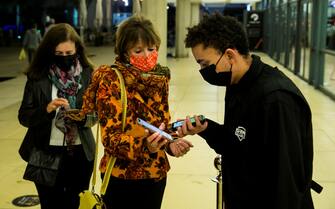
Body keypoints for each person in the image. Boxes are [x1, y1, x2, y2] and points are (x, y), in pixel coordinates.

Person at [179, 13, 316, 209]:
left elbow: (286, 184)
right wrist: (205, 128)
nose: (203, 71)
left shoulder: (276, 100)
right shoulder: (237, 83)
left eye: (205, 64)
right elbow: (237, 142)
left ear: (229, 55)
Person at [71, 15, 193, 209]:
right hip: (122, 176)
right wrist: (146, 145)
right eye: (138, 50)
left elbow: (162, 124)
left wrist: (170, 143)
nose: (147, 55)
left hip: (155, 173)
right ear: (125, 52)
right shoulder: (110, 79)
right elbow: (110, 139)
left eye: (151, 49)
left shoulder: (159, 78)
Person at [18, 23, 96, 209]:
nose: (65, 58)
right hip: (46, 154)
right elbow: (24, 116)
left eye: (69, 53)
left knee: (77, 204)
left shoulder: (87, 75)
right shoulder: (38, 76)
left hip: (80, 153)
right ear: (49, 51)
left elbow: (97, 114)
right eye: (59, 54)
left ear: (77, 49)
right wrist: (46, 110)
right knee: (50, 204)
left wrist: (81, 117)